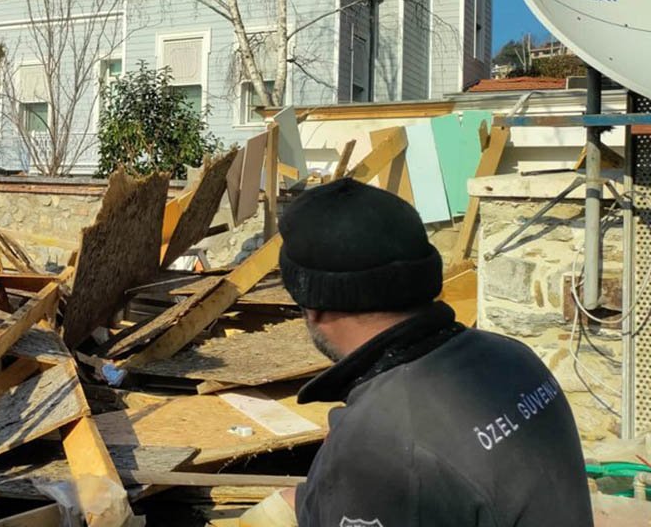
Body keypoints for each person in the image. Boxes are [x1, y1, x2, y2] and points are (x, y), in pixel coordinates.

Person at [240, 178, 593, 527]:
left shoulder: (378, 445)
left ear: (311, 304)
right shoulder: (512, 358)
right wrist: (310, 499)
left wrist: (345, 466)